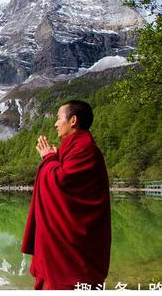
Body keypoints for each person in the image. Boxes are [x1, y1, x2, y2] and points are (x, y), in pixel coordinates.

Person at [20, 100, 111, 290]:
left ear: (73, 120)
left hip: (75, 246)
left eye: (58, 118)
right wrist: (54, 157)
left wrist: (48, 158)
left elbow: (61, 182)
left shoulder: (84, 148)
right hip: (67, 244)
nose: (55, 124)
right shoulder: (73, 148)